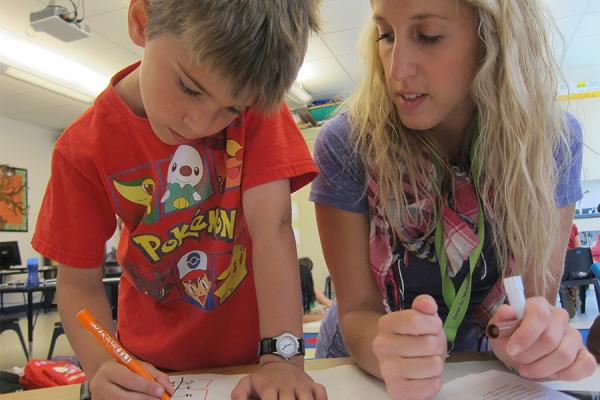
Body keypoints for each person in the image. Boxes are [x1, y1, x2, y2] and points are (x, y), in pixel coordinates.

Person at [31, 1, 326, 399]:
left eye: (232, 109)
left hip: (252, 360)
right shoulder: (82, 150)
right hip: (146, 364)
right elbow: (77, 284)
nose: (201, 124)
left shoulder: (257, 105)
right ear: (143, 20)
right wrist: (103, 366)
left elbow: (271, 227)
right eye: (190, 88)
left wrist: (282, 358)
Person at [309, 0, 596, 398]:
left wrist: (530, 340)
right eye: (386, 35)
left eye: (428, 37)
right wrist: (382, 347)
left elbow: (535, 301)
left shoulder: (553, 143)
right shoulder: (347, 143)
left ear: (493, 40)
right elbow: (356, 309)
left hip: (485, 375)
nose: (397, 70)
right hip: (364, 376)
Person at [299, 257, 332, 323]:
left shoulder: (304, 293)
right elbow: (301, 318)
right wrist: (325, 315)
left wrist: (321, 313)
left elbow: (307, 312)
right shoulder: (299, 294)